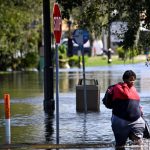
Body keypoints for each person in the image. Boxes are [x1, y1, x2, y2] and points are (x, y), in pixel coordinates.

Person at [104, 70, 145, 148]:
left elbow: (136, 104)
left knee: (138, 144)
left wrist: (141, 112)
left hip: (136, 121)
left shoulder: (134, 89)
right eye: (130, 79)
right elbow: (108, 103)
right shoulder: (116, 88)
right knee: (120, 145)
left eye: (134, 80)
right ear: (125, 79)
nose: (132, 81)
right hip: (120, 120)